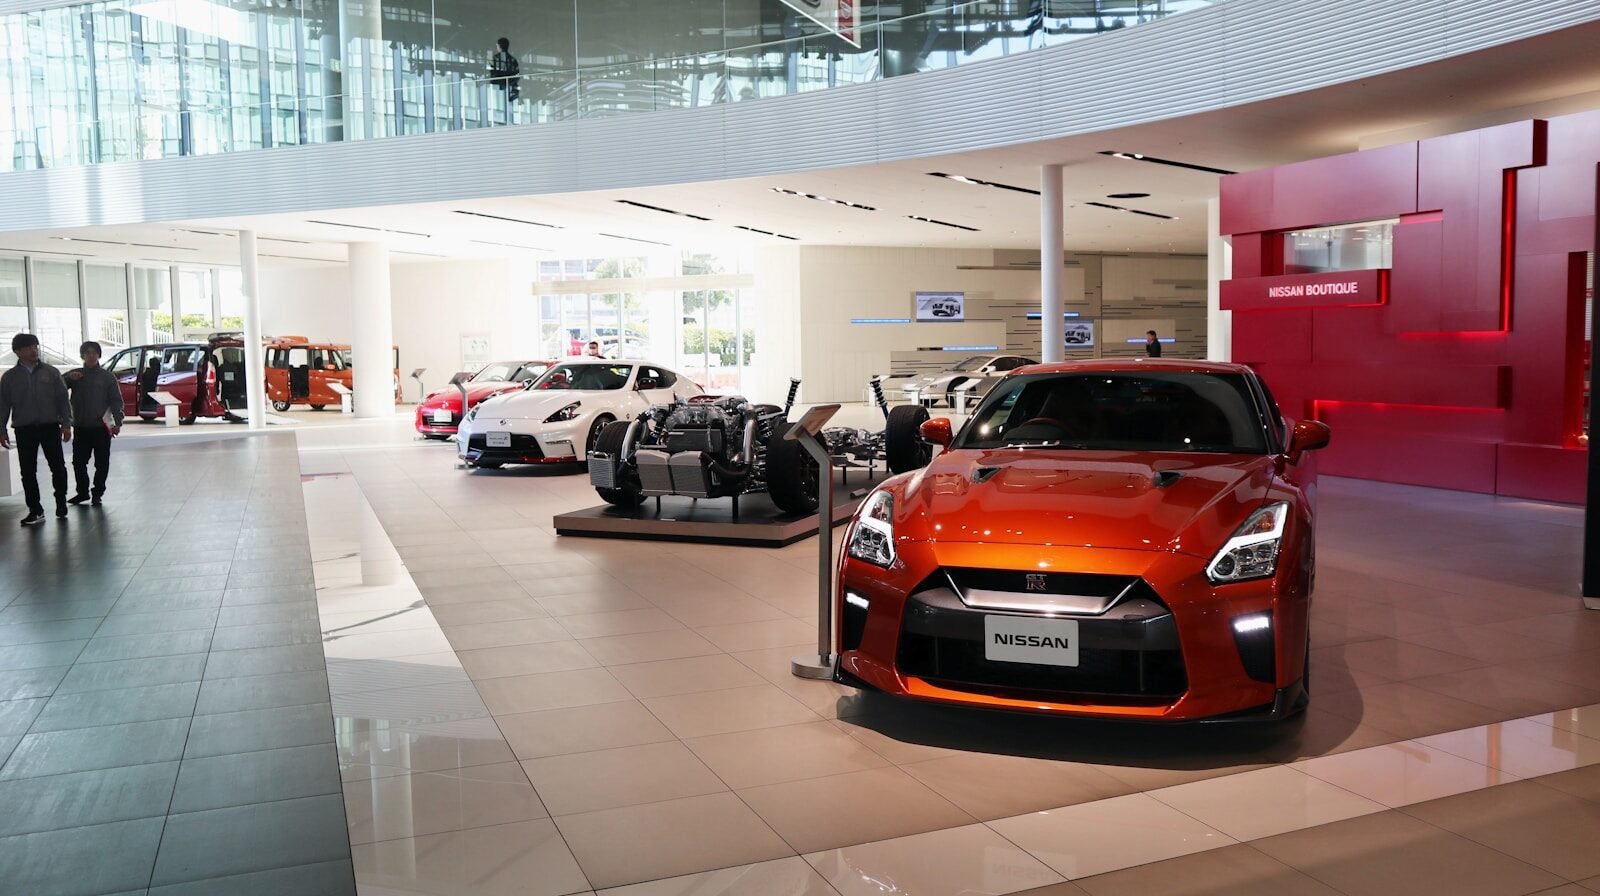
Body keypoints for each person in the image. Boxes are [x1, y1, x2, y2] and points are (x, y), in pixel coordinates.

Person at [0, 333, 73, 526]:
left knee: (57, 466)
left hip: (50, 426)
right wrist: (1, 429)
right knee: (28, 471)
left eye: (36, 346)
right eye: (29, 347)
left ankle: (61, 501)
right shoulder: (9, 378)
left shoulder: (51, 372)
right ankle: (35, 509)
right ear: (18, 352)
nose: (34, 350)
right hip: (24, 429)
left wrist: (66, 424)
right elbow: (3, 406)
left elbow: (63, 400)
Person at [64, 341, 124, 506]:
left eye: (94, 352)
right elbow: (59, 387)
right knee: (78, 462)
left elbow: (115, 400)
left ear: (99, 355)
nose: (91, 355)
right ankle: (82, 492)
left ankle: (98, 492)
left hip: (101, 428)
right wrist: (68, 378)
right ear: (82, 355)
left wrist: (118, 421)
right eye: (87, 352)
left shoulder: (107, 376)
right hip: (81, 427)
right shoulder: (75, 375)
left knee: (102, 462)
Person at [489, 37, 520, 118]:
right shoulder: (513, 60)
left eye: (497, 46)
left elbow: (491, 70)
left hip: (500, 80)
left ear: (499, 46)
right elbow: (517, 72)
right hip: (509, 80)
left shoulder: (495, 58)